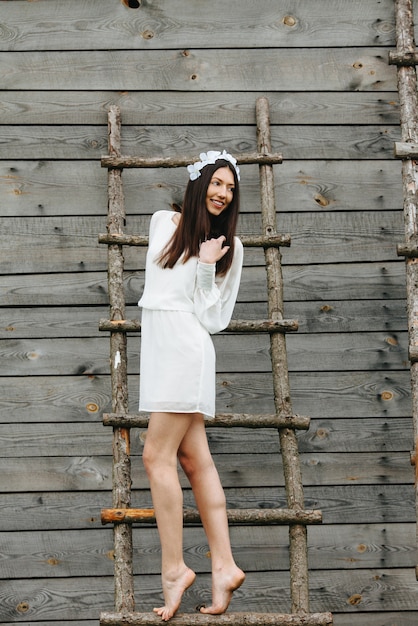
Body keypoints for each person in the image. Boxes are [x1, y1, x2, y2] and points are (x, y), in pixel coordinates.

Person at [138, 150, 245, 621]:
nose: (223, 193)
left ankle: (174, 569)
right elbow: (158, 290)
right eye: (217, 183)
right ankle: (223, 566)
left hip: (186, 348)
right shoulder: (165, 222)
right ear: (200, 183)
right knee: (193, 459)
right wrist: (194, 250)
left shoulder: (229, 247)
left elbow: (212, 318)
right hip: (160, 348)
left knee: (154, 456)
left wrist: (206, 265)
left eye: (231, 188)